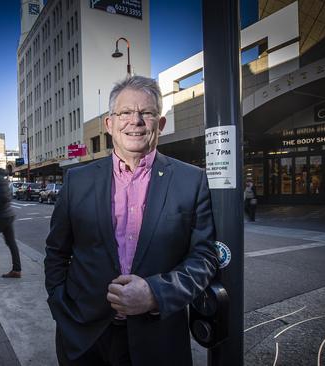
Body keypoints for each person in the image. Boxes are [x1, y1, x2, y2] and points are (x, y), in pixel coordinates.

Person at [45, 76, 218, 366]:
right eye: (124, 113)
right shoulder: (77, 180)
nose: (135, 121)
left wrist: (155, 294)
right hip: (84, 338)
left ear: (159, 124)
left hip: (158, 342)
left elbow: (205, 256)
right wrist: (61, 308)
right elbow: (56, 252)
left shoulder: (192, 180)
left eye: (146, 113)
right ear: (110, 124)